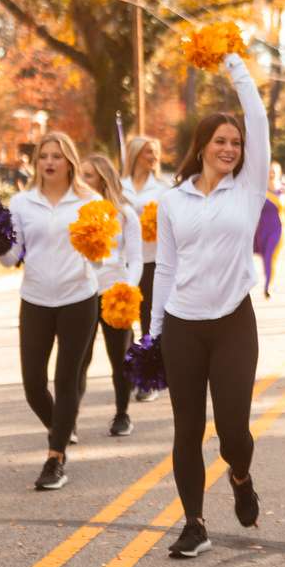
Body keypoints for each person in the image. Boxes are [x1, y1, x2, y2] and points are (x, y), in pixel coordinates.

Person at [152, 52, 269, 559]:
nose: (230, 148)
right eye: (220, 141)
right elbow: (166, 268)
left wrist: (235, 66)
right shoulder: (172, 200)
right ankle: (194, 523)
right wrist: (153, 331)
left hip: (233, 323)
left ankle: (240, 476)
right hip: (182, 325)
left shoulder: (248, 190)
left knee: (233, 431)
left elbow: (259, 121)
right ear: (201, 146)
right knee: (186, 429)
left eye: (236, 143)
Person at [0, 132, 99, 490]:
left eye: (57, 155)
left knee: (66, 379)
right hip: (36, 298)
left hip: (79, 299)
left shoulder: (90, 201)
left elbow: (105, 252)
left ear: (70, 161)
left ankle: (55, 458)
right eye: (44, 156)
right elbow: (13, 257)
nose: (50, 162)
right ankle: (62, 425)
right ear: (37, 162)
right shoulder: (24, 204)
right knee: (33, 385)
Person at [78, 154, 142, 436]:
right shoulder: (78, 211)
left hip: (115, 293)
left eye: (88, 175)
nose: (81, 180)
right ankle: (70, 421)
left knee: (120, 358)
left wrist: (127, 287)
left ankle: (122, 414)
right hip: (83, 292)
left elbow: (136, 258)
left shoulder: (126, 213)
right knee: (80, 358)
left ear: (103, 179)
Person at [121, 135, 170, 402]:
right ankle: (129, 373)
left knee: (148, 319)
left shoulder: (163, 188)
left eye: (156, 152)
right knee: (123, 322)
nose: (153, 157)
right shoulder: (119, 186)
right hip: (125, 263)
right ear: (135, 154)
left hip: (152, 261)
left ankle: (149, 380)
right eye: (148, 152)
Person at [254, 161, 285, 299]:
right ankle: (270, 281)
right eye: (269, 170)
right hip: (262, 229)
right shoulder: (259, 190)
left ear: (279, 173)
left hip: (279, 229)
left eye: (275, 171)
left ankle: (267, 285)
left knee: (270, 255)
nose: (272, 173)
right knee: (268, 258)